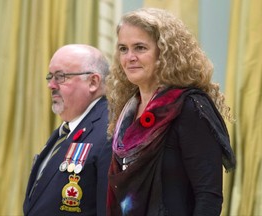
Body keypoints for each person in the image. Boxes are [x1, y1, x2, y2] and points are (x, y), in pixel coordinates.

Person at [106, 8, 236, 216]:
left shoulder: (189, 107)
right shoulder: (126, 111)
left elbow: (208, 196)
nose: (129, 57)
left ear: (164, 53)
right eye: (123, 49)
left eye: (140, 48)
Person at [23, 44, 112, 216]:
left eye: (60, 77)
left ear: (93, 82)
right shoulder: (65, 131)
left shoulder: (108, 130)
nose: (51, 85)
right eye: (50, 77)